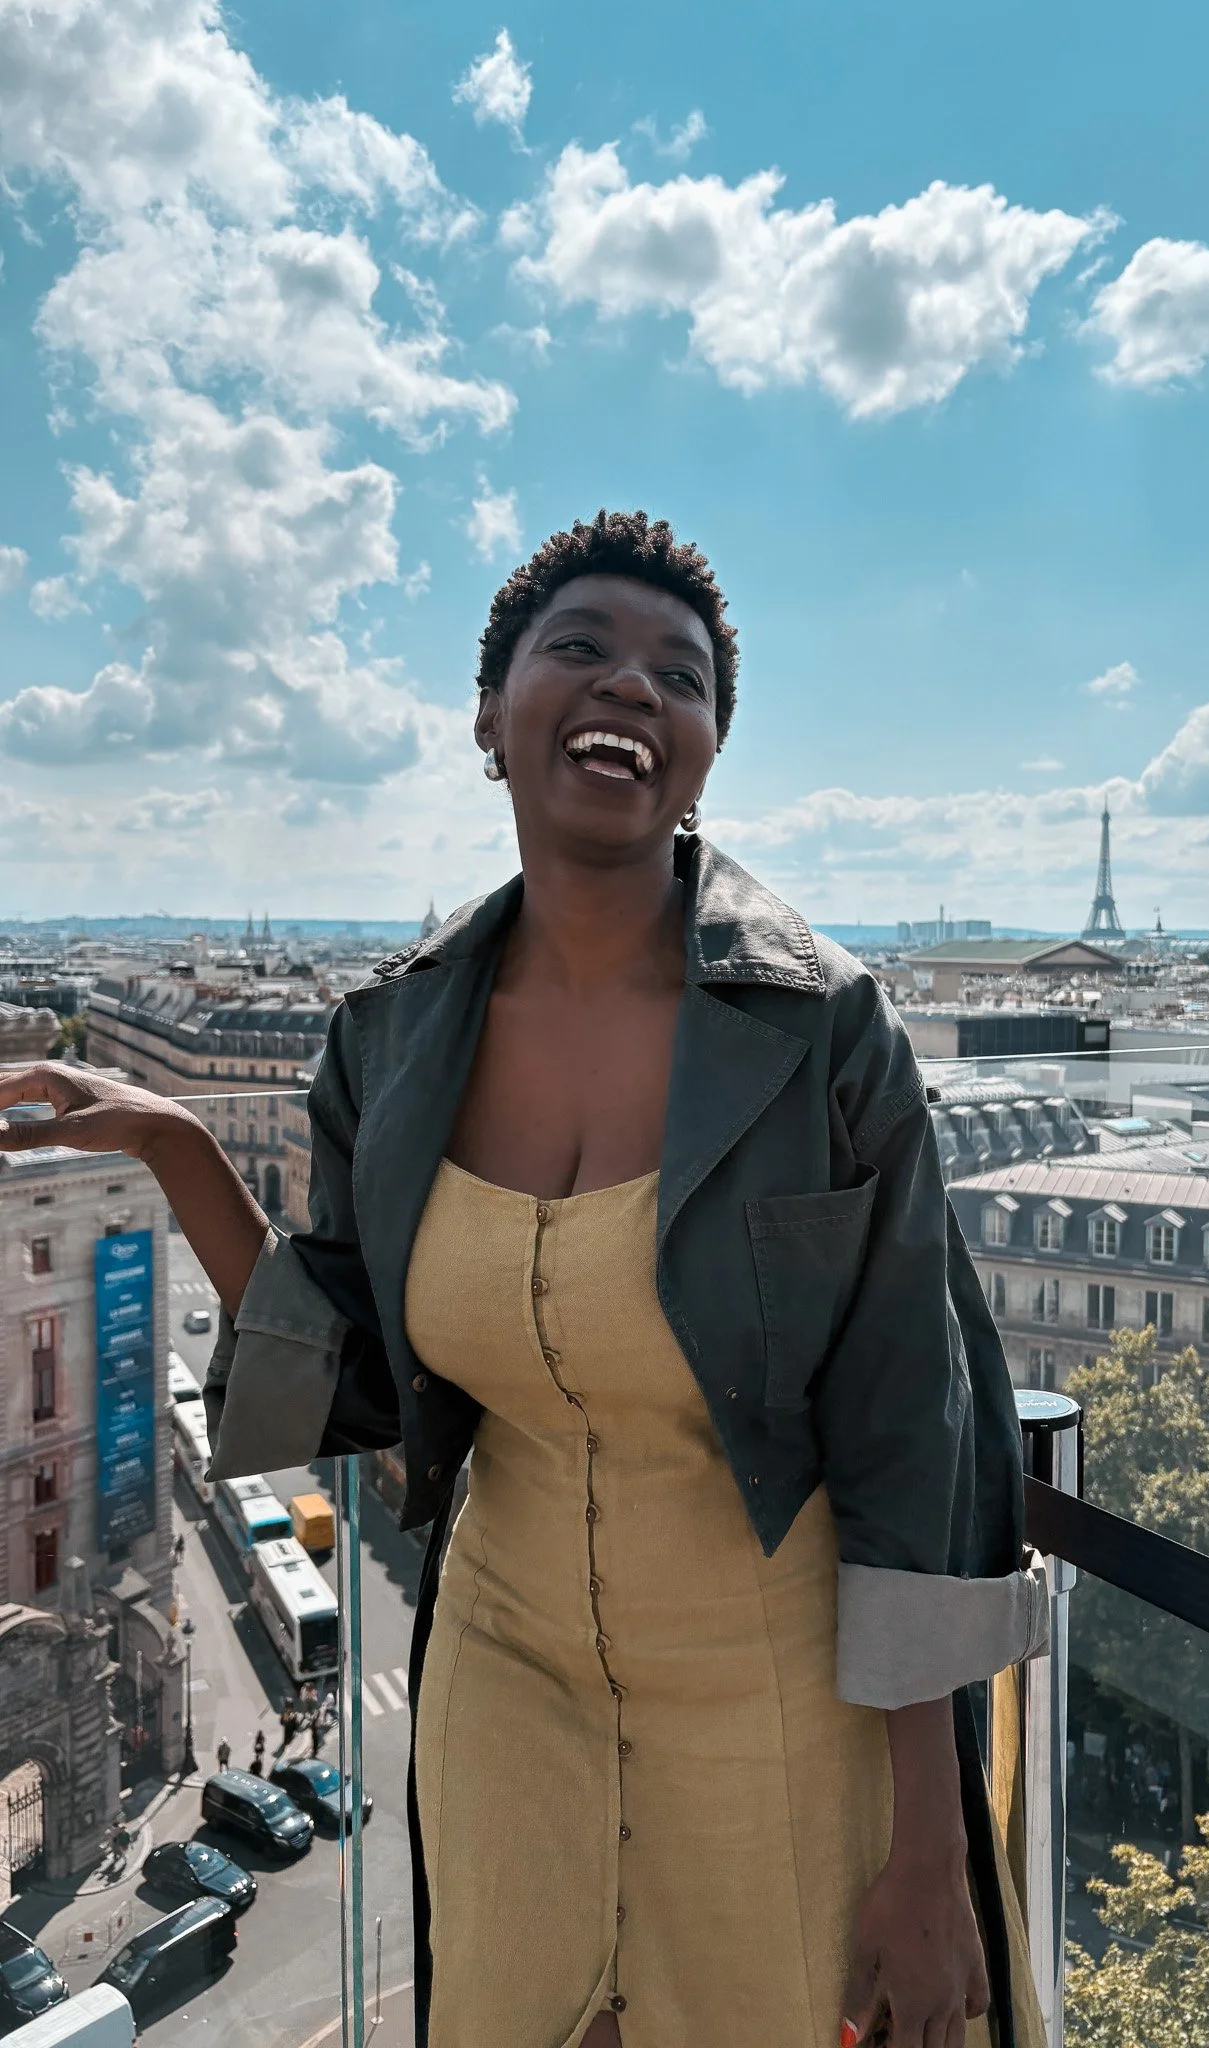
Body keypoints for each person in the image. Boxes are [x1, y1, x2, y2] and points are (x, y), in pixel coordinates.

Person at [0, 511, 1045, 2048]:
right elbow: (357, 1372)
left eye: (680, 675)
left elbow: (918, 1443)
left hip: (781, 1700)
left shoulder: (826, 1031)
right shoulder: (385, 1040)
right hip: (505, 1690)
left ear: (707, 749)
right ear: (490, 718)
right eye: (583, 648)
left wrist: (931, 1848)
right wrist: (179, 1148)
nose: (633, 686)